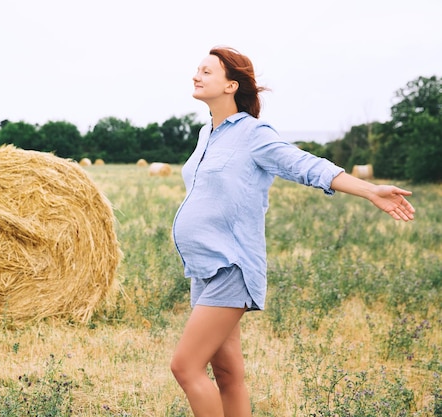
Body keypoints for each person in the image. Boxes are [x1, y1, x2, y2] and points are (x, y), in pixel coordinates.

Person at [169, 46, 415, 417]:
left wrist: (369, 190)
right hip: (203, 267)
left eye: (206, 71)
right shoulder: (207, 134)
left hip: (231, 266)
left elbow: (305, 165)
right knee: (227, 372)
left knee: (185, 367)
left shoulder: (253, 134)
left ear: (231, 85)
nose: (196, 75)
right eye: (196, 70)